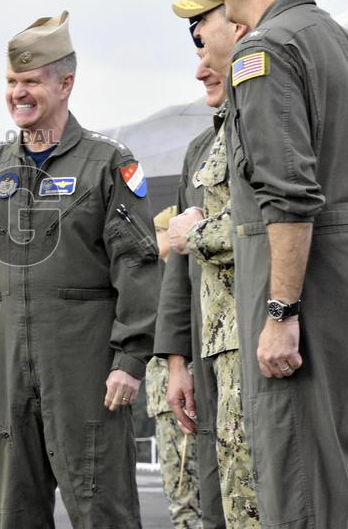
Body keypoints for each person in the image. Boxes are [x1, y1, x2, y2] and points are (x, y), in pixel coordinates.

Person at [0, 12, 160, 528]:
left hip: (86, 368)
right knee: (14, 512)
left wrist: (130, 359)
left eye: (31, 81)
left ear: (66, 83)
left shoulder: (110, 164)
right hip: (8, 364)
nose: (19, 92)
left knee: (102, 507)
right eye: (12, 82)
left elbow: (138, 264)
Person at [210, 0, 348, 527]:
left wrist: (281, 310)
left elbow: (288, 193)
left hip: (310, 290)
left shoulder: (266, 51)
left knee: (305, 486)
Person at [167, 0, 260, 526]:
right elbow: (179, 273)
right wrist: (176, 359)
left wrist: (199, 233)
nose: (199, 66)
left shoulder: (266, 121)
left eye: (204, 46)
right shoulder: (200, 148)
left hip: (255, 339)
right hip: (209, 351)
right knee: (218, 492)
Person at [145, 205, 201, 529]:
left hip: (182, 397)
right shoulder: (160, 277)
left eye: (158, 232)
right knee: (181, 498)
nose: (152, 240)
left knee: (186, 497)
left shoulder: (183, 281)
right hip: (166, 399)